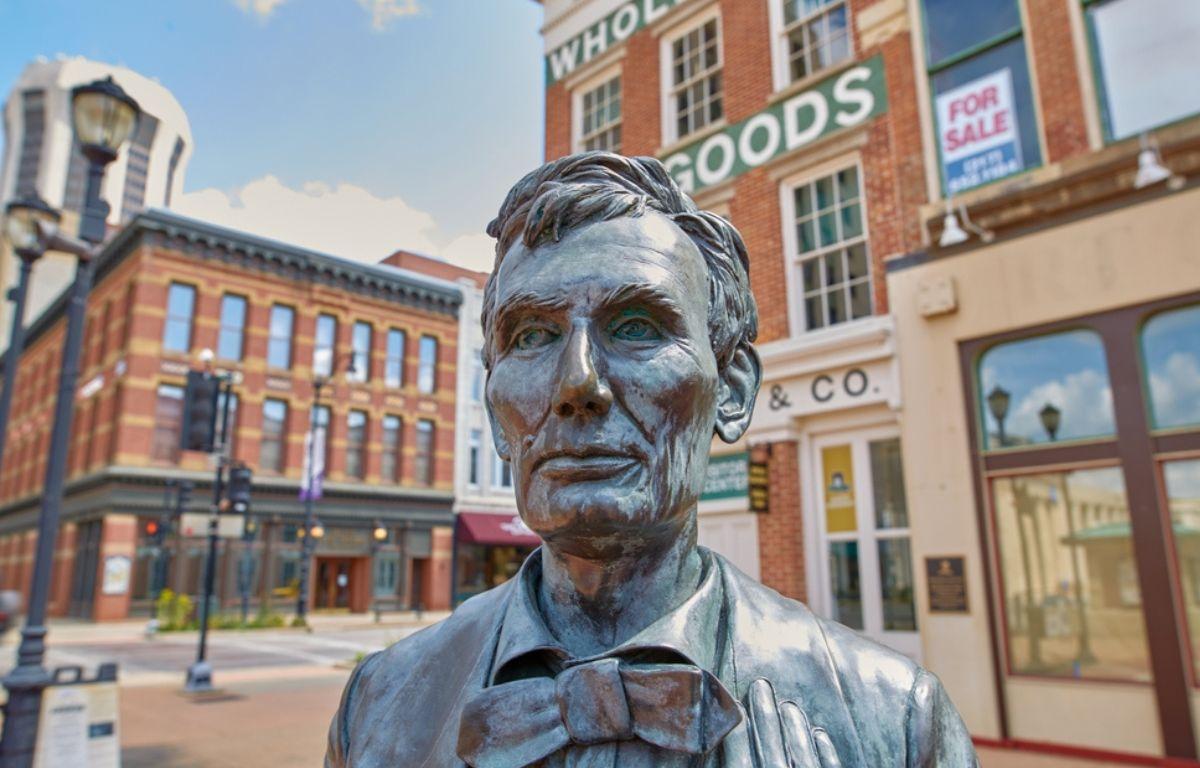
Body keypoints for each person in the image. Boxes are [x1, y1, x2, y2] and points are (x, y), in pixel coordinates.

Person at [326, 152, 978, 767]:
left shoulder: (896, 723)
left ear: (732, 390)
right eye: (531, 336)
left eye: (636, 326)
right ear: (496, 409)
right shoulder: (380, 703)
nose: (577, 382)